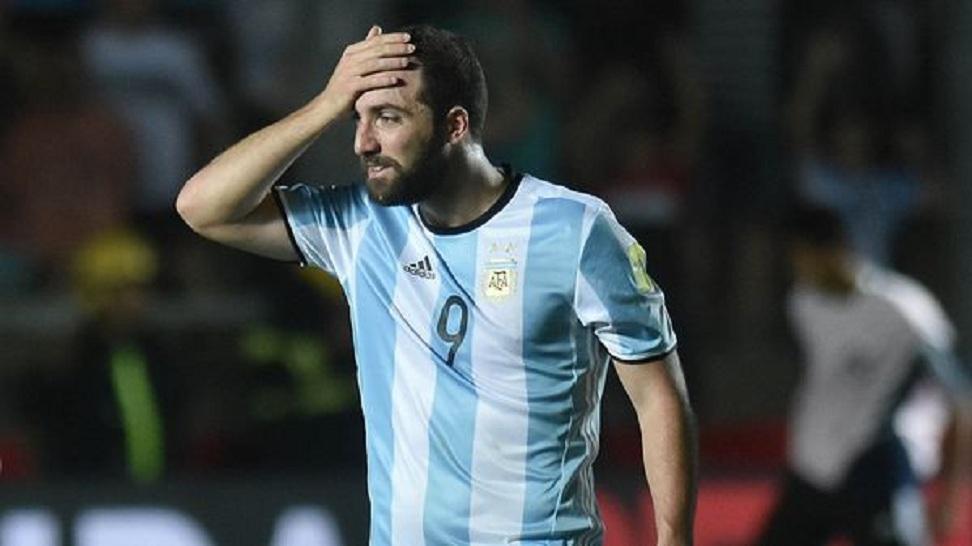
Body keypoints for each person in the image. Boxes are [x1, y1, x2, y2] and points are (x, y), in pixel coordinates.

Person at [176, 24, 695, 545]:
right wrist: (326, 104)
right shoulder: (360, 226)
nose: (363, 142)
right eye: (357, 118)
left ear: (455, 126)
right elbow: (202, 207)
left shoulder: (574, 231)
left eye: (388, 117)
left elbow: (658, 398)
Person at [758, 206, 971, 546]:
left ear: (834, 250)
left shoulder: (903, 308)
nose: (800, 270)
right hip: (813, 466)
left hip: (875, 466)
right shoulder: (803, 303)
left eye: (805, 258)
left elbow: (958, 397)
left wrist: (950, 494)